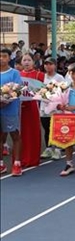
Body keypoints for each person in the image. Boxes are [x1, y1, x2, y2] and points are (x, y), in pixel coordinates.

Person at [18, 53, 45, 168]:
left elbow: (45, 90)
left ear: (34, 62)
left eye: (29, 60)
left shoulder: (39, 75)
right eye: (24, 60)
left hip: (33, 106)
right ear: (21, 62)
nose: (27, 62)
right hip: (19, 107)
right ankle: (21, 158)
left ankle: (33, 158)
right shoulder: (18, 75)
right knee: (20, 133)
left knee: (32, 131)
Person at [0, 48, 23, 176]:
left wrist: (6, 100)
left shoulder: (14, 73)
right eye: (0, 56)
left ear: (9, 58)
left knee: (14, 135)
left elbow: (17, 90)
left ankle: (17, 164)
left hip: (10, 110)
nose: (1, 59)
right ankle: (1, 165)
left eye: (4, 56)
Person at [39, 57, 66, 161]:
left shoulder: (59, 78)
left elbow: (63, 91)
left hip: (56, 107)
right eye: (46, 64)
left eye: (50, 64)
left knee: (56, 128)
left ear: (55, 65)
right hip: (44, 106)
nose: (48, 66)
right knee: (47, 128)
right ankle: (49, 148)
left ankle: (58, 149)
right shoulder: (41, 77)